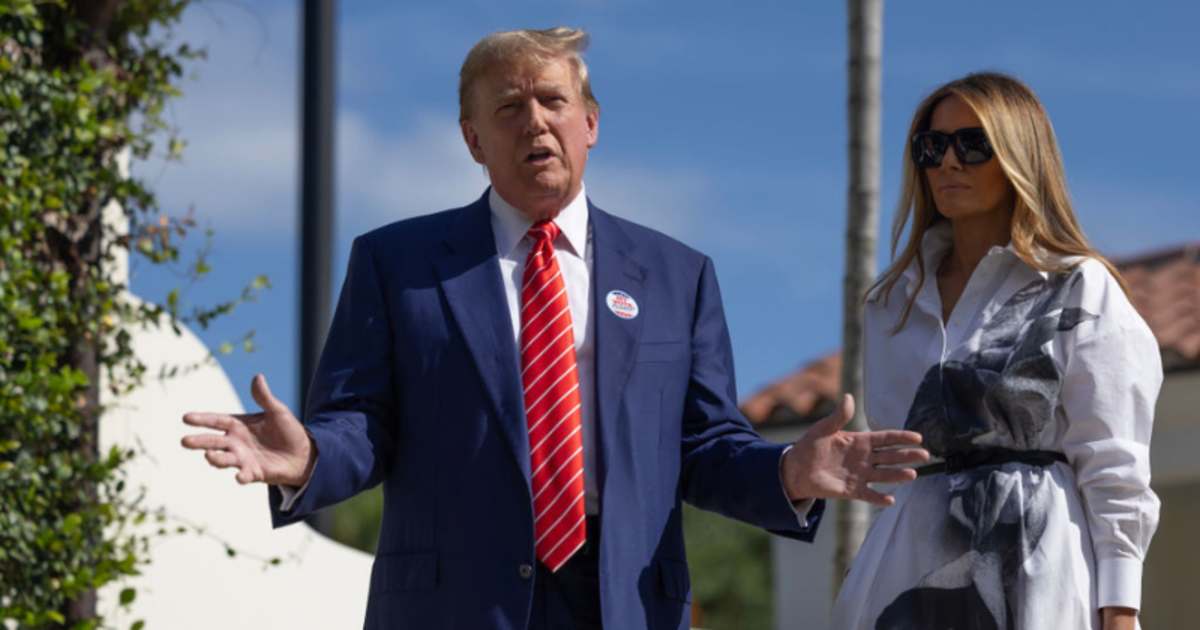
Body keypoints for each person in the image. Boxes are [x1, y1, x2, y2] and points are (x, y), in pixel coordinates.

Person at [181, 27, 929, 630]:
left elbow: (704, 446)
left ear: (590, 124)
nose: (535, 120)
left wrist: (788, 473)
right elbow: (362, 425)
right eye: (509, 107)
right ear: (474, 139)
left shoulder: (677, 275)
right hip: (453, 604)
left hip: (622, 598)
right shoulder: (396, 263)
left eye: (552, 101)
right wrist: (310, 454)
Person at [832, 72, 1161, 630]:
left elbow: (1114, 461)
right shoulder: (890, 303)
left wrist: (1121, 607)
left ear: (1018, 154)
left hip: (1039, 565)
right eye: (931, 147)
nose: (948, 163)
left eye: (973, 143)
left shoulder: (1077, 287)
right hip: (907, 567)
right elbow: (895, 458)